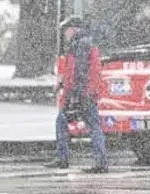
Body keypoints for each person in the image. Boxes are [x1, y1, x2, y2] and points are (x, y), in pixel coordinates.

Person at [45, 16, 108, 173]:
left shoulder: (79, 45)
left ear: (74, 29)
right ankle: (99, 161)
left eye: (66, 30)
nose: (65, 34)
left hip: (81, 93)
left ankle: (65, 158)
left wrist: (73, 95)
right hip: (88, 92)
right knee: (92, 126)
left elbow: (77, 72)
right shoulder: (87, 43)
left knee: (67, 123)